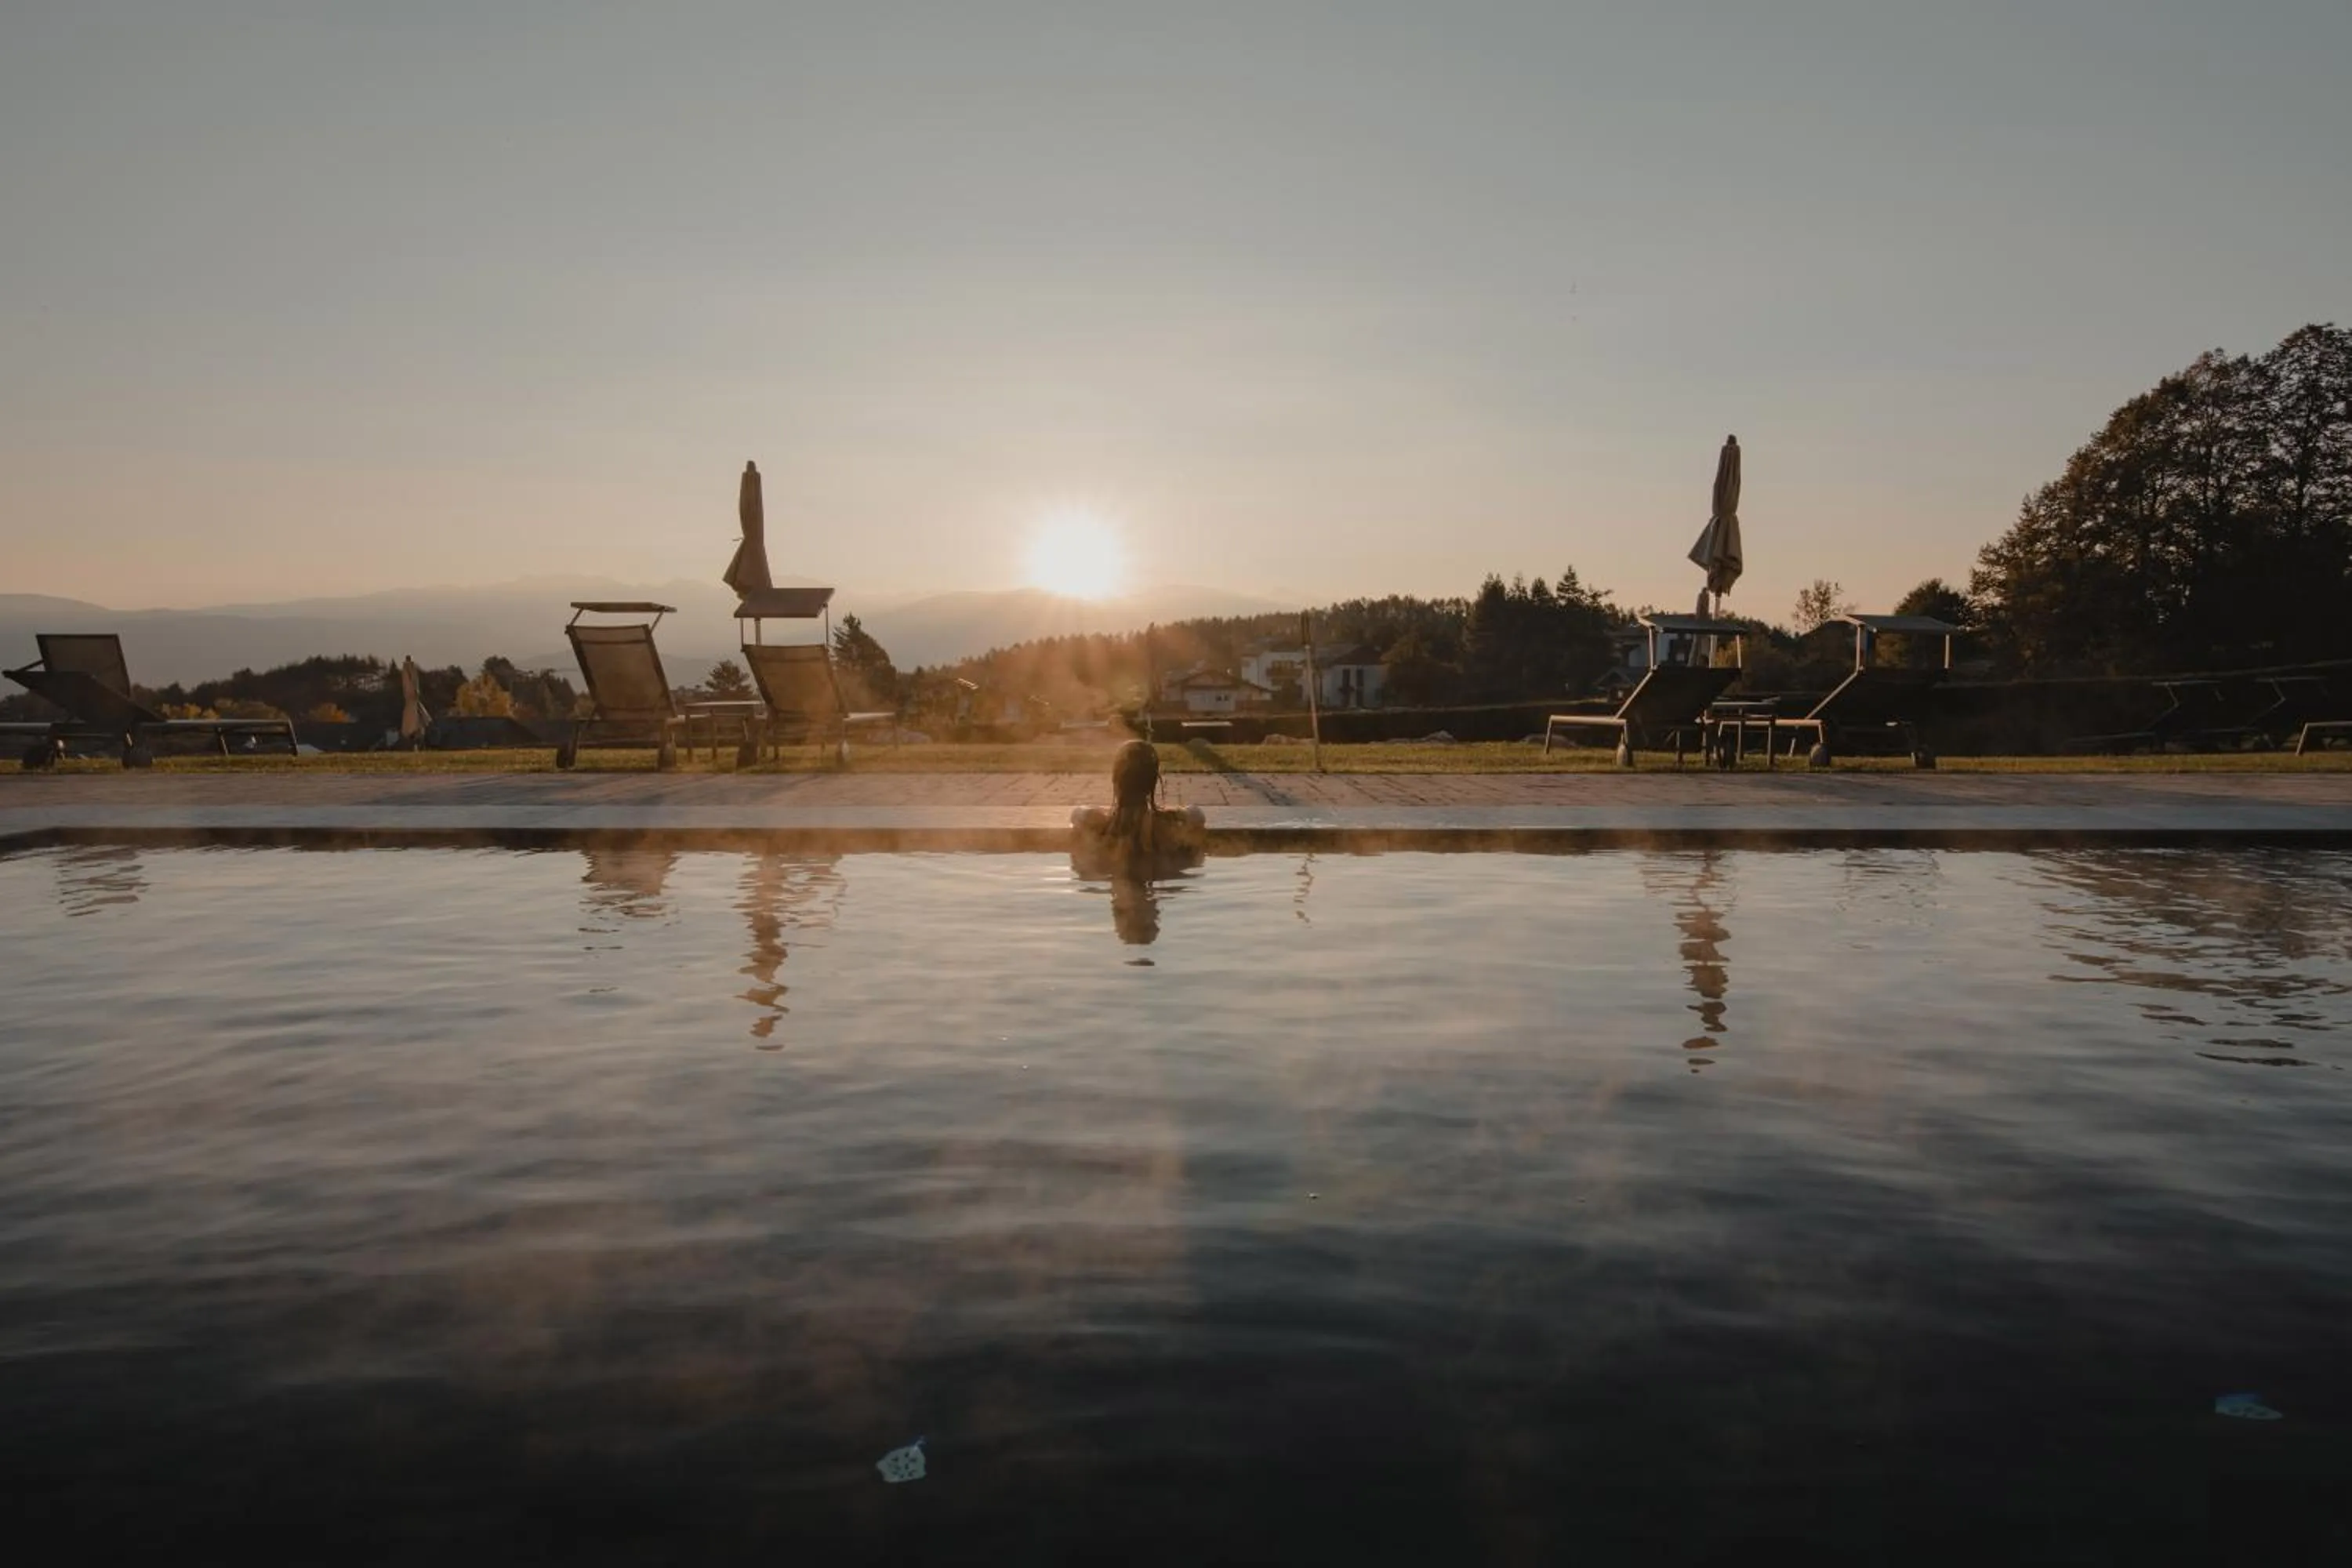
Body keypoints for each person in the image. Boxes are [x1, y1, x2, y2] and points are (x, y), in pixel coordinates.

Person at [1072, 740, 1205, 874]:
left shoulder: (1103, 824)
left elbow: (1076, 814)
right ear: (1152, 783)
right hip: (1158, 869)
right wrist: (1175, 813)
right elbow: (1198, 814)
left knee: (1079, 836)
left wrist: (1098, 815)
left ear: (1116, 779)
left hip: (1109, 871)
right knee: (1194, 838)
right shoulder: (1164, 824)